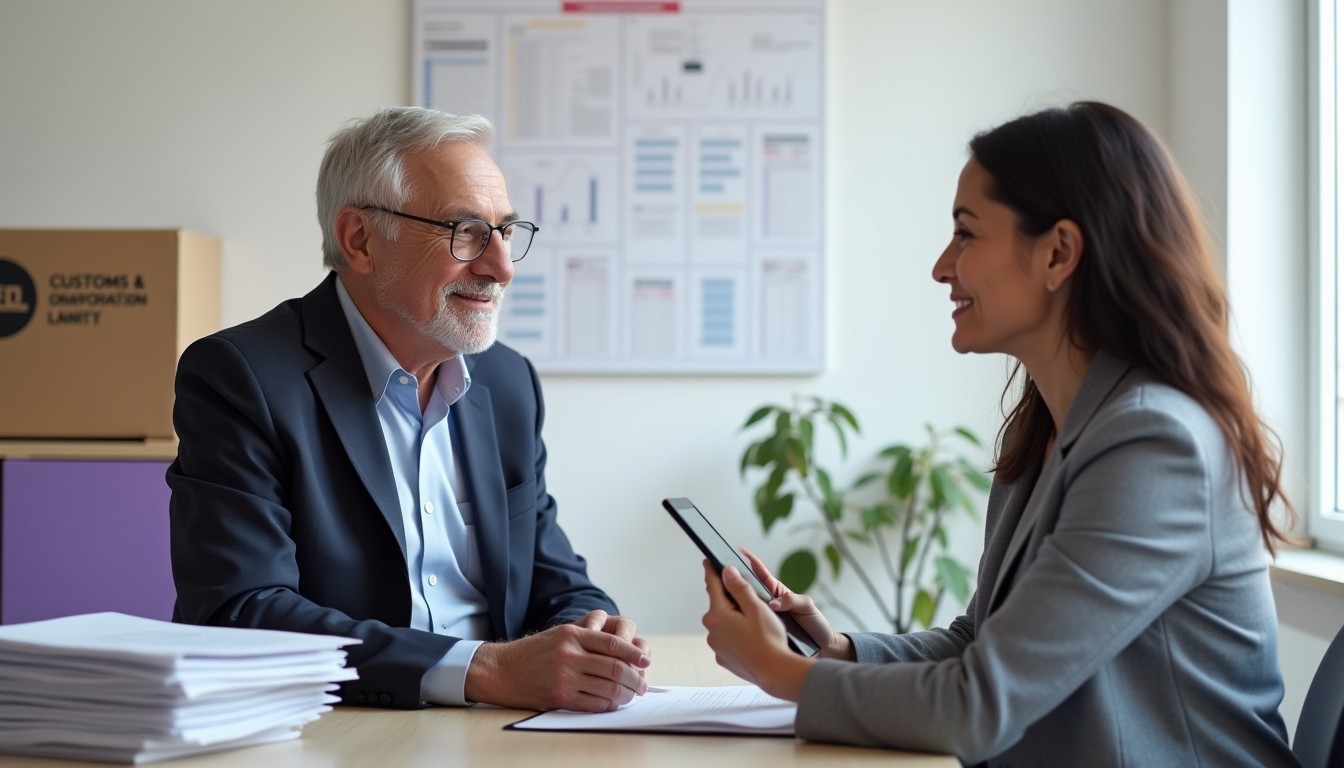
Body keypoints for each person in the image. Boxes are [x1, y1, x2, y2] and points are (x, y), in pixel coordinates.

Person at [700, 101, 1298, 766]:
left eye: (966, 234)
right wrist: (833, 648)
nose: (941, 266)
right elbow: (978, 645)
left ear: (1059, 253)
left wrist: (776, 672)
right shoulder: (1050, 431)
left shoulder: (1157, 447)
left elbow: (978, 706)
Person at [168, 106, 649, 712]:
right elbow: (241, 610)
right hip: (340, 731)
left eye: (506, 231)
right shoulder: (243, 376)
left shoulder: (506, 382)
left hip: (504, 734)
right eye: (465, 232)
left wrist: (595, 637)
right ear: (360, 240)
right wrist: (482, 671)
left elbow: (553, 576)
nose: (500, 266)